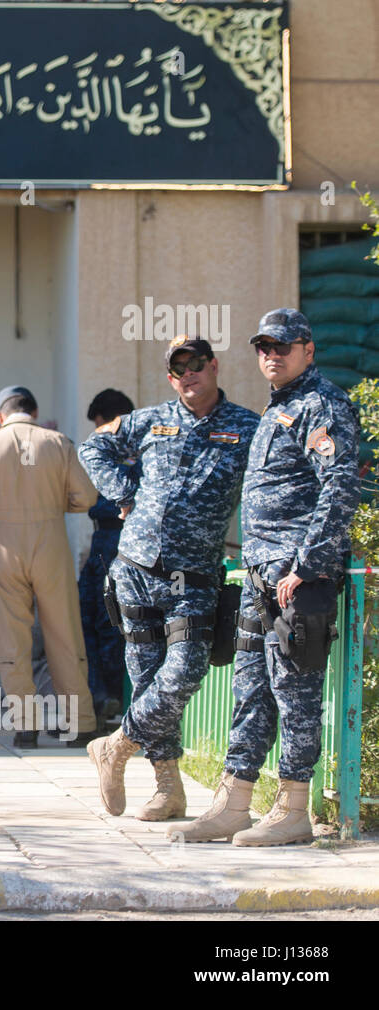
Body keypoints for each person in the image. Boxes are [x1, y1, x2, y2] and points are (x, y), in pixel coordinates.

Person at [169, 309, 361, 846]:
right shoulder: (279, 408)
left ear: (308, 350)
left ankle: (294, 807)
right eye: (263, 348)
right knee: (251, 689)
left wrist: (308, 564)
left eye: (282, 346)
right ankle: (233, 803)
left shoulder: (321, 404)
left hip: (297, 579)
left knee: (295, 691)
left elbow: (340, 483)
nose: (271, 356)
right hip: (260, 573)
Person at [78, 339, 259, 820]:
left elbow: (264, 487)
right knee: (145, 676)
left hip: (195, 576)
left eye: (196, 365)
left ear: (213, 367)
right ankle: (167, 789)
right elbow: (93, 447)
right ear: (170, 378)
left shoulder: (247, 427)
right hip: (136, 568)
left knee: (184, 672)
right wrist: (123, 491)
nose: (188, 375)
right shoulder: (148, 420)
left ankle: (116, 745)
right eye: (178, 369)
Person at [0, 386, 99, 747]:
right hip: (51, 545)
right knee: (64, 634)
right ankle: (82, 724)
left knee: (13, 638)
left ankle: (25, 726)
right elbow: (87, 497)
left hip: (5, 547)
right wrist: (57, 504)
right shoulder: (58, 443)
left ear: (1, 416)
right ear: (35, 411)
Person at [78, 389, 136, 719]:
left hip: (114, 545)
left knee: (103, 619)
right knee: (107, 619)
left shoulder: (117, 453)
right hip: (115, 545)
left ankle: (108, 695)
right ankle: (106, 696)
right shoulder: (145, 449)